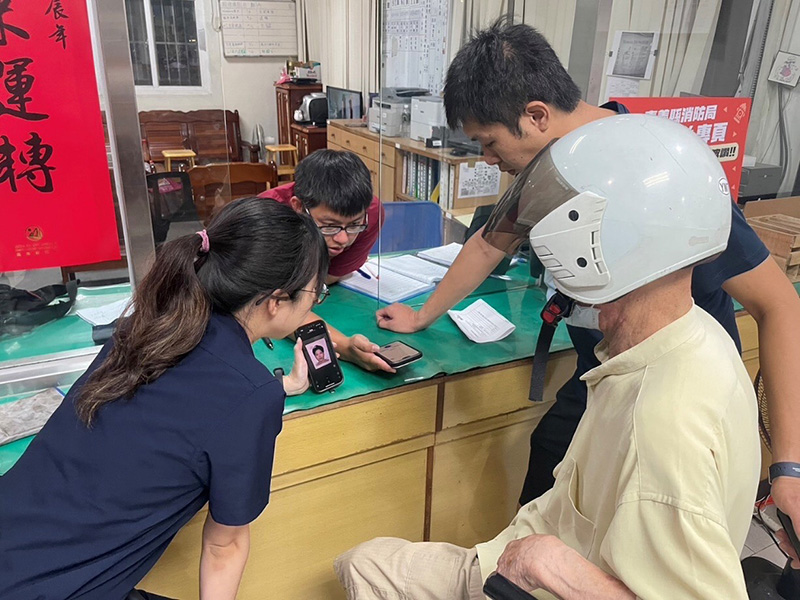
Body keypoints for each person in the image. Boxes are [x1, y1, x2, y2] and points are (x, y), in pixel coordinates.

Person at [375, 21, 800, 529]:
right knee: (543, 502)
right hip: (598, 381)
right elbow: (489, 243)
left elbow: (780, 306)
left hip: (674, 399)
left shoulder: (659, 172)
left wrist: (788, 466)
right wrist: (422, 315)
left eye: (488, 144)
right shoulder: (546, 168)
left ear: (535, 115)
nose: (488, 160)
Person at [336, 114, 760, 599]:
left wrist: (549, 562)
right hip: (544, 546)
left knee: (363, 564)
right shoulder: (695, 334)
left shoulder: (660, 427)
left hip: (550, 570)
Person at [0, 197, 328, 600]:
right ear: (276, 301)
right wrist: (264, 395)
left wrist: (278, 388)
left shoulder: (143, 327)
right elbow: (224, 546)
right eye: (317, 291)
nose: (316, 301)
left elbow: (175, 414)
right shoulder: (249, 396)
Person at [260, 149, 395, 373]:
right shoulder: (267, 216)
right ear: (297, 207)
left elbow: (329, 276)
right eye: (329, 225)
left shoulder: (371, 213)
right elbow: (275, 306)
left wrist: (299, 291)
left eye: (354, 225)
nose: (343, 239)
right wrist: (345, 347)